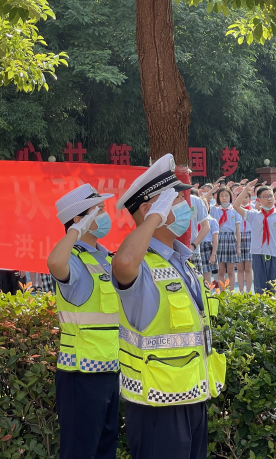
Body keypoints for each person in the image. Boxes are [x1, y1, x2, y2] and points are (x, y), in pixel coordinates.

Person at [111, 154, 226, 459]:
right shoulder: (141, 266)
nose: (186, 206)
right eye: (175, 200)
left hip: (192, 395)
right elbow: (122, 263)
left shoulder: (179, 260)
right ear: (152, 210)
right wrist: (152, 219)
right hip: (157, 405)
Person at [47, 183, 119, 459]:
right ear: (79, 219)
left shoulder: (106, 258)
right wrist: (75, 231)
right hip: (81, 373)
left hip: (111, 368)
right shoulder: (73, 259)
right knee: (80, 451)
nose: (104, 215)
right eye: (97, 211)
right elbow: (54, 263)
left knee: (105, 449)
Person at [234, 181, 276, 293]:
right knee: (260, 288)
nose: (269, 199)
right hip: (258, 254)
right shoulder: (253, 215)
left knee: (275, 288)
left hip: (274, 255)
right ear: (258, 200)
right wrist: (246, 189)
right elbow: (235, 205)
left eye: (271, 196)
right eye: (265, 197)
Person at [210, 187, 241, 290]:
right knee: (221, 270)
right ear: (218, 197)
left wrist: (238, 247)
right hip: (218, 238)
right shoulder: (214, 209)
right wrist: (212, 189)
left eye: (226, 195)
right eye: (221, 195)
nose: (224, 198)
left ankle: (231, 293)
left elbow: (238, 230)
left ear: (230, 197)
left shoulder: (235, 210)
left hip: (231, 238)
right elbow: (203, 200)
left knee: (231, 270)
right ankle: (222, 293)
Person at [236, 186, 254, 292]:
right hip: (238, 238)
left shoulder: (253, 211)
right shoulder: (235, 210)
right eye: (242, 197)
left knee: (248, 268)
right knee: (240, 268)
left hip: (250, 237)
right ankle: (241, 291)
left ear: (249, 199)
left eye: (246, 197)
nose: (244, 199)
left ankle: (248, 291)